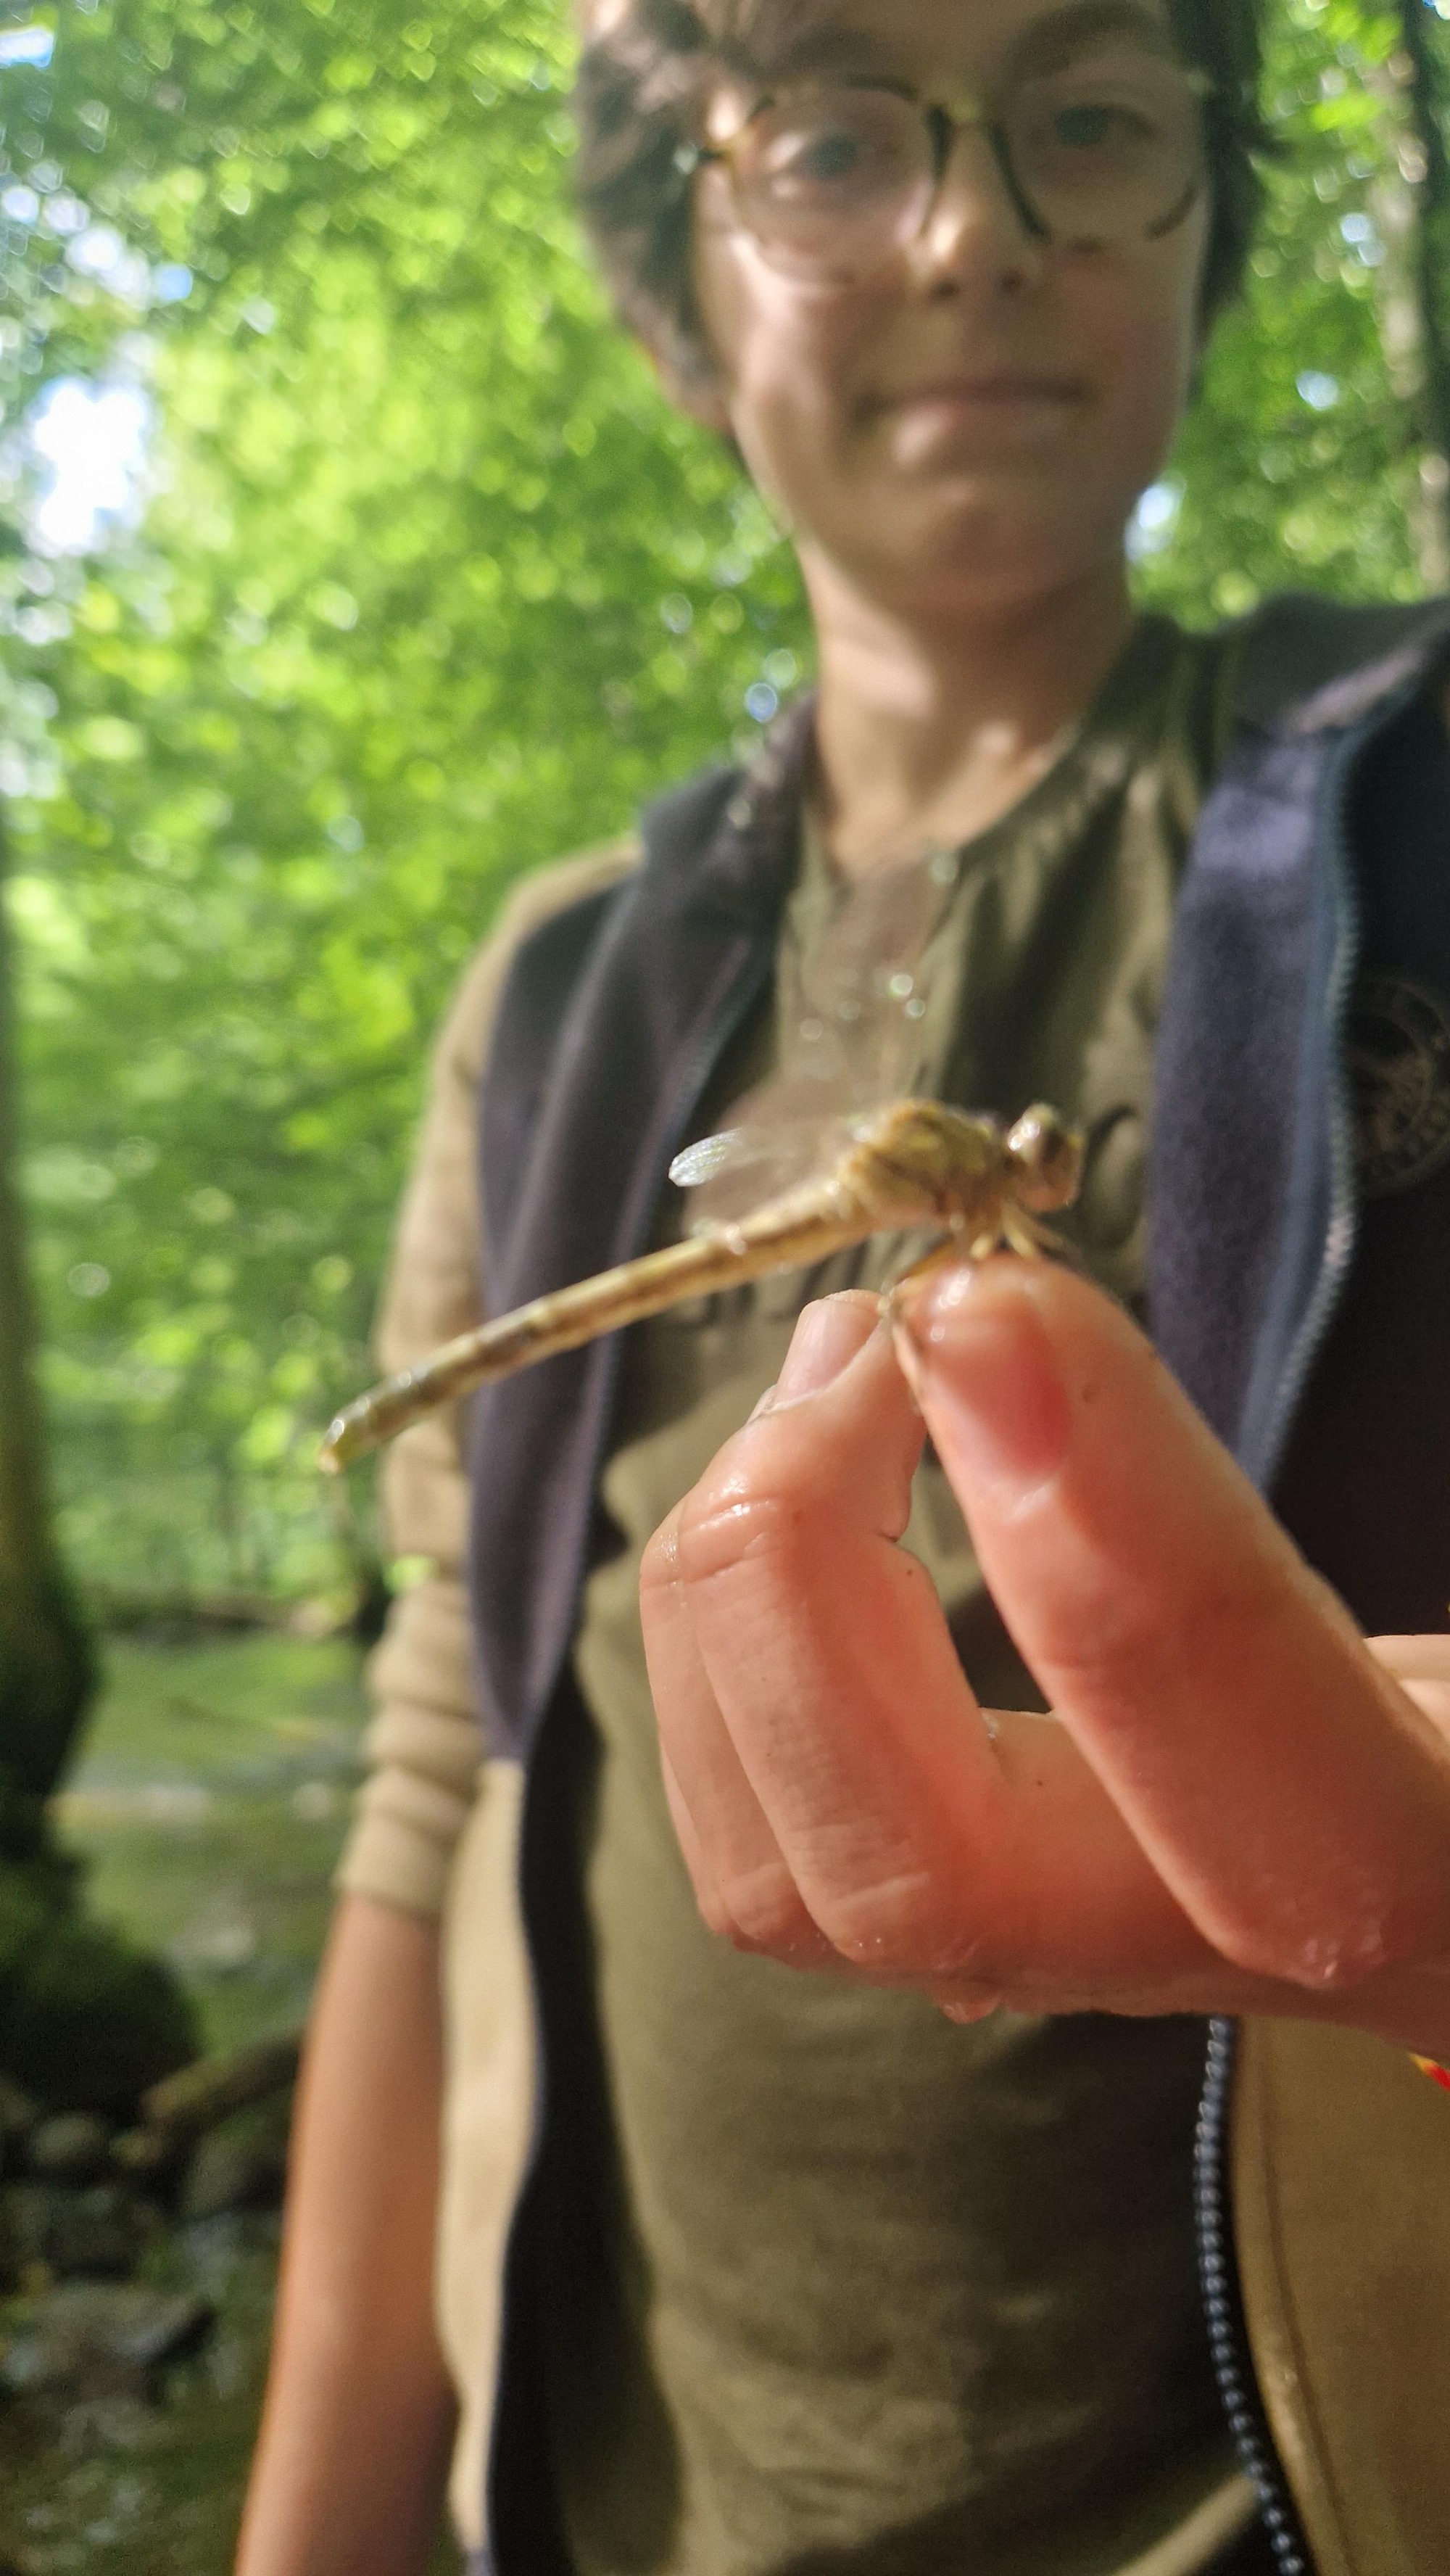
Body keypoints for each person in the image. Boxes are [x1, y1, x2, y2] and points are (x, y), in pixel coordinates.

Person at [236, 1, 1450, 2571]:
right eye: (828, 136)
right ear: (674, 293)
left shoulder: (1408, 824)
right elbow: (440, 1756)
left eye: (1093, 122)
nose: (975, 229)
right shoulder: (560, 991)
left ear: (1211, 224)